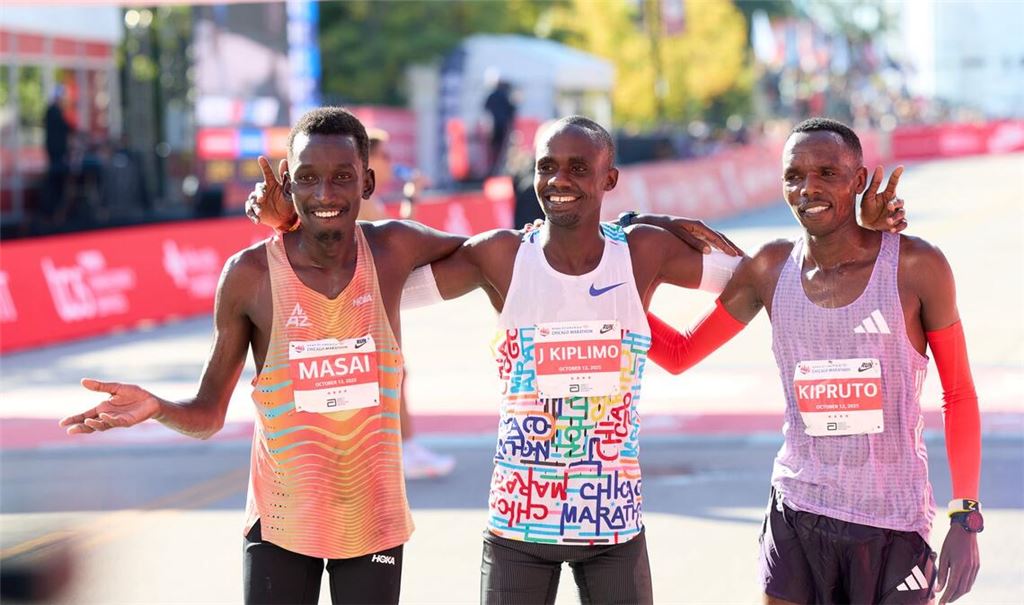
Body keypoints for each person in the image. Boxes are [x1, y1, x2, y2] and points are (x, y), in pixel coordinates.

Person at [250, 114, 902, 604]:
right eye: (547, 167)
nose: (559, 180)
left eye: (577, 167)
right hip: (517, 528)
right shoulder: (503, 254)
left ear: (608, 178)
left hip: (614, 525)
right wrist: (292, 230)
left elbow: (776, 276)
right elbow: (369, 274)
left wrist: (864, 235)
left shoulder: (641, 252)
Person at [60, 107, 473, 604]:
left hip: (374, 522)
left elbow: (486, 254)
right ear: (285, 181)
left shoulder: (392, 250)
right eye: (307, 179)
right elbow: (208, 414)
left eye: (342, 178)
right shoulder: (250, 276)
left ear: (366, 182)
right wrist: (158, 407)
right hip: (282, 524)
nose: (325, 193)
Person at [640, 118, 981, 605]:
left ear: (859, 180)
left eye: (827, 173)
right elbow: (678, 354)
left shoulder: (916, 267)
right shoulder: (770, 267)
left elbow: (959, 393)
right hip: (798, 512)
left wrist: (965, 516)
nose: (808, 188)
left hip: (892, 522)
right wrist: (617, 299)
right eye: (794, 175)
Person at [483, 78, 516, 176]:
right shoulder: (505, 96)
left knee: (494, 149)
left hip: (494, 126)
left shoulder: (493, 95)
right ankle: (496, 169)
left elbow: (485, 108)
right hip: (501, 126)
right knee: (501, 149)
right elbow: (512, 111)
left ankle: (493, 169)